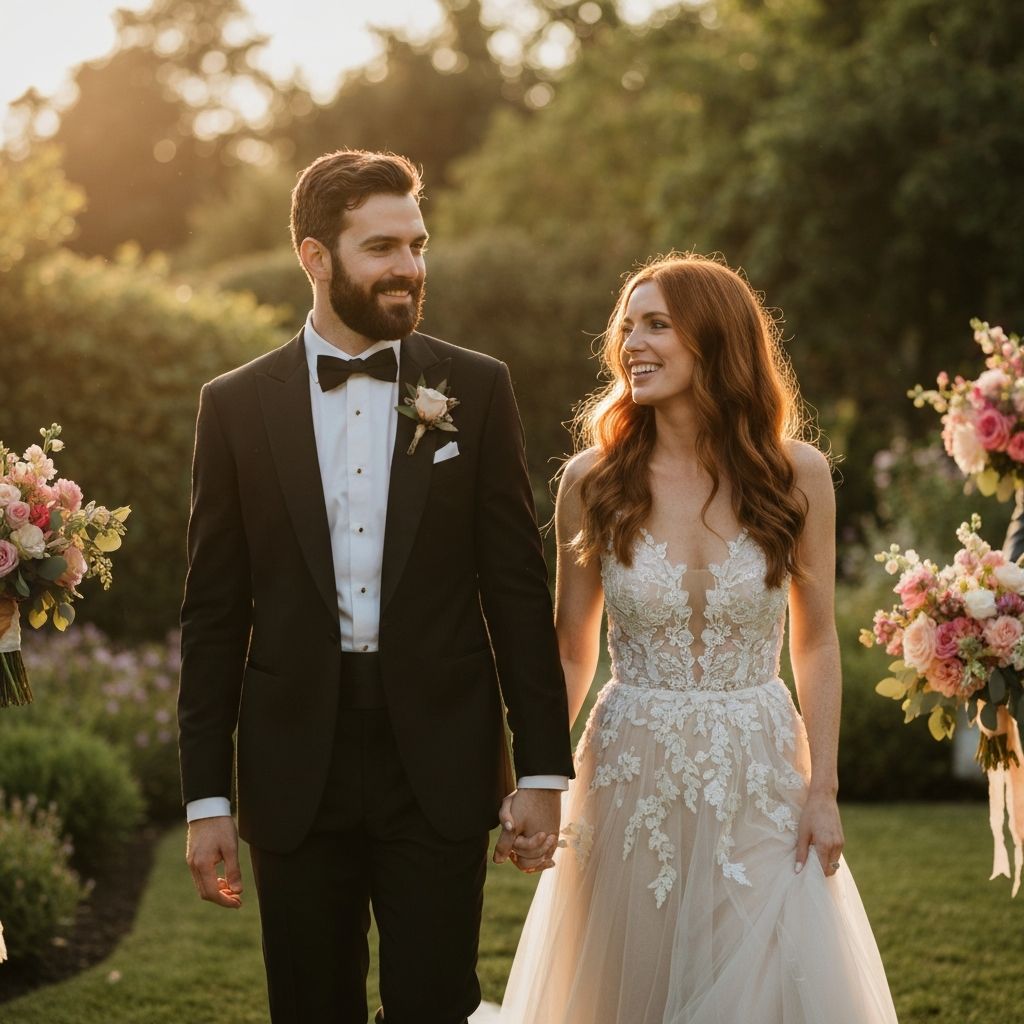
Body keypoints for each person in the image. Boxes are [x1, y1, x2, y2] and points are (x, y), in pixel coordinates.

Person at [177, 148, 573, 1024]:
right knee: (310, 1007)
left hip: (437, 756)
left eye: (418, 244)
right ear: (315, 257)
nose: (409, 267)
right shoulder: (235, 405)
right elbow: (212, 614)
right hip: (293, 765)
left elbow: (515, 586)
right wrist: (207, 798)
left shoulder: (476, 385)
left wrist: (543, 767)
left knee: (435, 1004)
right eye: (382, 247)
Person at [498, 254, 898, 1022]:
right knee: (630, 990)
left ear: (716, 341)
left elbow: (814, 643)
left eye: (656, 325)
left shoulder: (796, 474)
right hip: (626, 769)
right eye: (627, 326)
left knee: (763, 986)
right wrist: (540, 779)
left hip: (758, 770)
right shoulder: (592, 479)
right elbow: (572, 648)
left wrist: (823, 790)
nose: (631, 344)